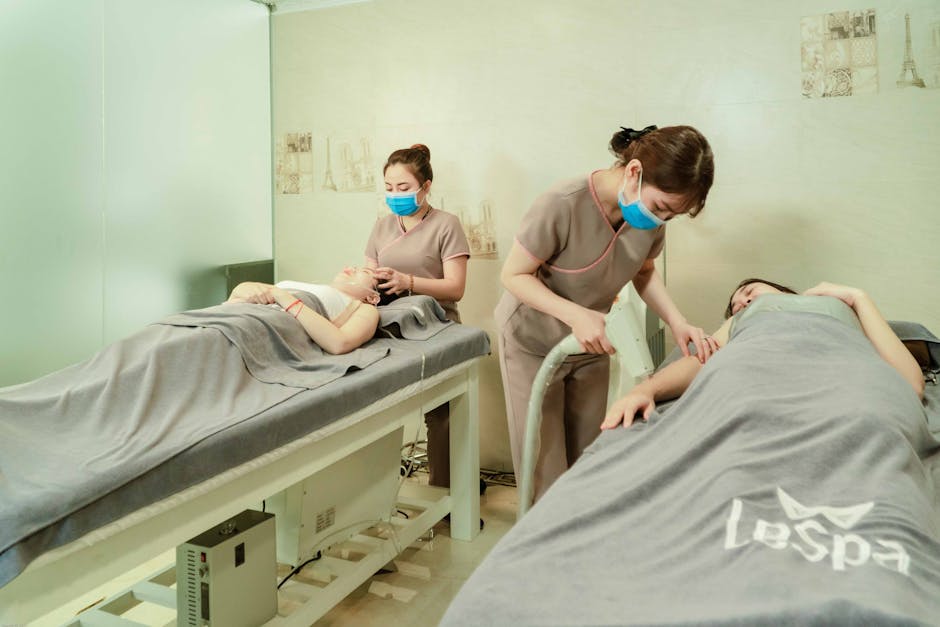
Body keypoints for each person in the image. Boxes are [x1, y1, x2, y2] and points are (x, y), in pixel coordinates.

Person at [497, 124, 716, 500]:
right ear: (634, 171)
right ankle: (547, 535)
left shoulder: (650, 219)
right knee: (545, 465)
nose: (660, 219)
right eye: (660, 207)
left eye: (671, 215)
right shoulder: (562, 203)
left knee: (590, 457)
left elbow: (644, 272)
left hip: (592, 345)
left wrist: (677, 322)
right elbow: (513, 275)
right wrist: (576, 315)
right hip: (531, 343)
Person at [601, 279, 926, 430]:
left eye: (749, 292)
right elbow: (700, 362)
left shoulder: (837, 307)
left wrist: (858, 297)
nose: (742, 303)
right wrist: (645, 390)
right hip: (755, 378)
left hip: (841, 378)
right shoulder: (745, 321)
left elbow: (910, 384)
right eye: (735, 306)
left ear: (781, 291)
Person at [364, 144, 471, 488]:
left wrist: (407, 282)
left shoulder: (446, 225)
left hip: (436, 328)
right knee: (376, 411)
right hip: (388, 328)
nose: (395, 195)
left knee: (441, 415)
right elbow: (368, 275)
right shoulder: (381, 227)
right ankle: (376, 496)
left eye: (404, 187)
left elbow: (455, 288)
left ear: (426, 186)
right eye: (389, 188)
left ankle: (447, 490)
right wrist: (365, 281)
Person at [225, 266, 381, 355]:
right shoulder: (314, 288)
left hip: (252, 326)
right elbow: (237, 299)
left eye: (365, 271)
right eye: (355, 266)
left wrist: (283, 297)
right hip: (231, 313)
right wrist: (242, 287)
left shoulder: (364, 308)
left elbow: (340, 343)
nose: (351, 268)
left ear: (373, 297)